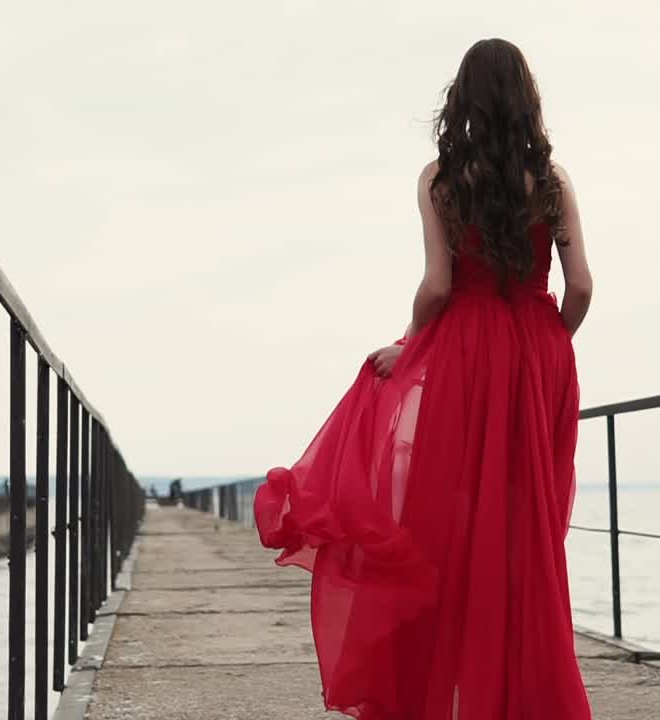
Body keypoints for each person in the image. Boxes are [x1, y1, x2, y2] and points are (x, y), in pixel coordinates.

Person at [254, 38, 594, 719]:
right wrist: (548, 343)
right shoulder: (553, 184)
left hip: (464, 356)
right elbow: (580, 286)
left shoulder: (440, 180)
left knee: (450, 526)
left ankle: (447, 697)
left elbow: (438, 287)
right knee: (529, 536)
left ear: (461, 100)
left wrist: (409, 347)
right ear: (527, 100)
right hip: (540, 352)